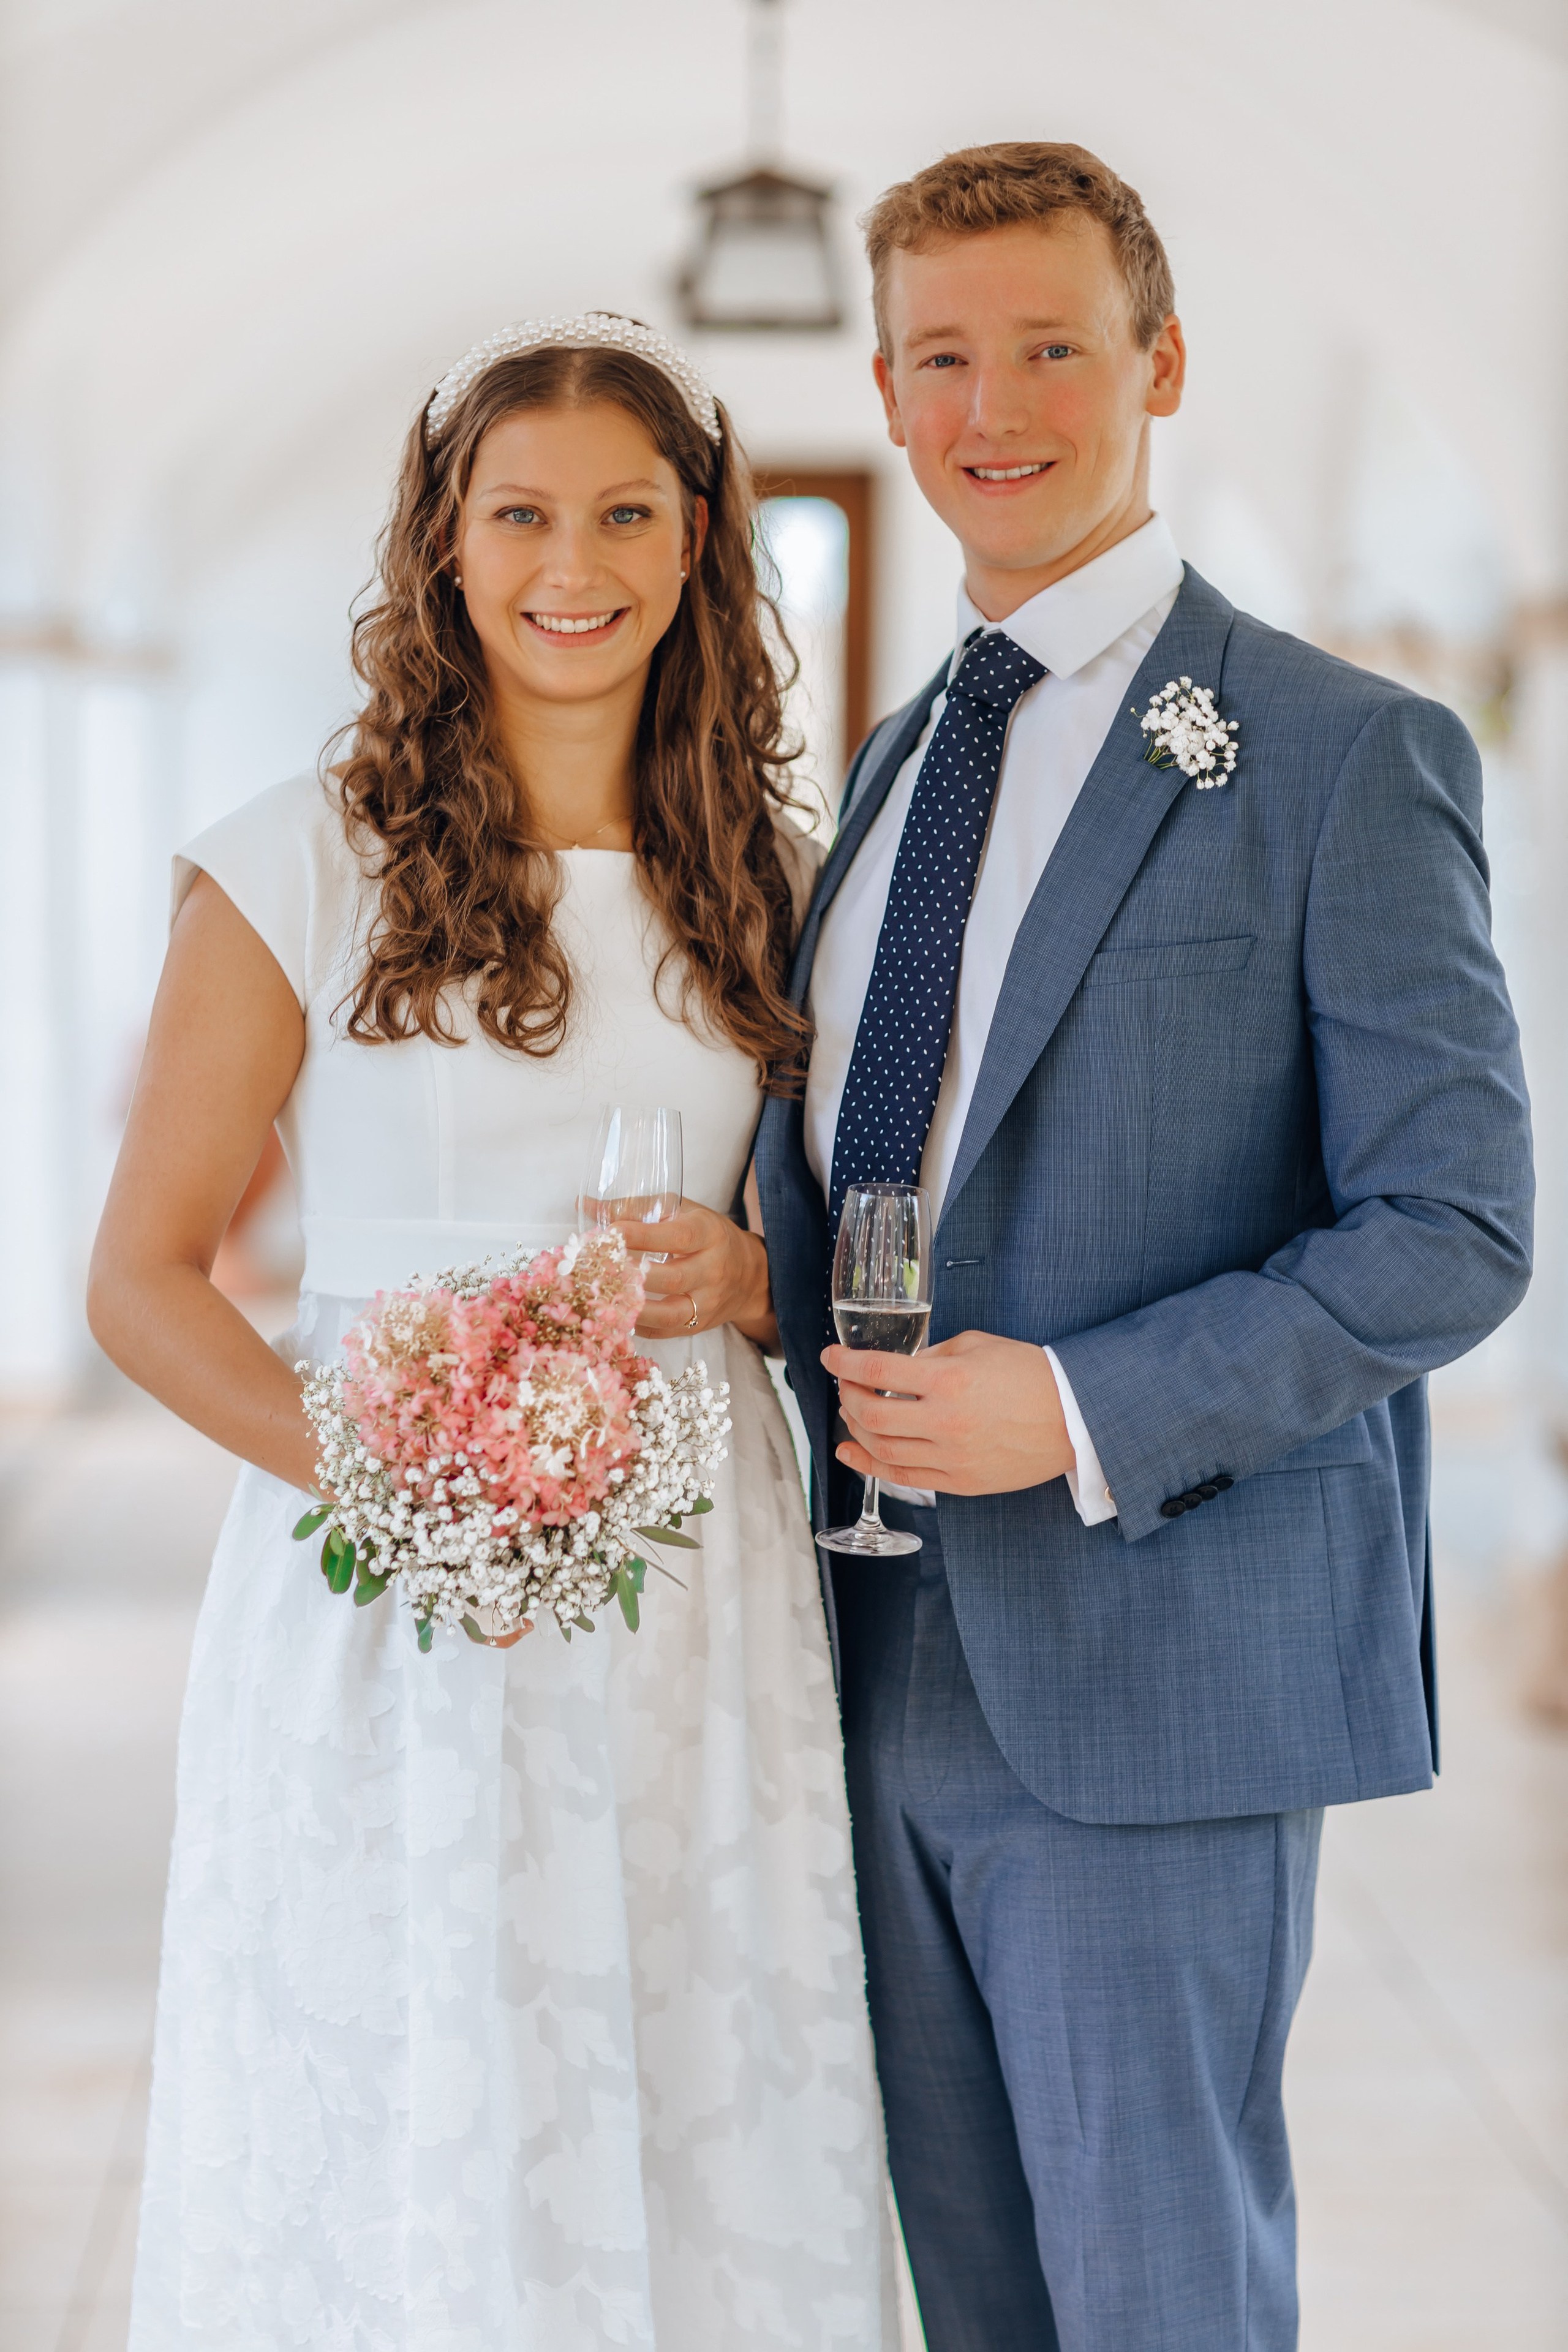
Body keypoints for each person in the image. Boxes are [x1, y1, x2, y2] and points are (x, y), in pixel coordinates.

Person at [755, 143, 1534, 2351]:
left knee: (1158, 2298)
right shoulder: (894, 761)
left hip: (1151, 1658)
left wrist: (1085, 1407)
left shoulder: (1342, 754)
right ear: (887, 394)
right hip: (856, 1647)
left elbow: (1457, 1228)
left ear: (1161, 364)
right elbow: (878, 1160)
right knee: (974, 2300)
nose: (993, 407)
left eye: (1052, 348)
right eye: (941, 358)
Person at [91, 315, 899, 2349]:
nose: (573, 564)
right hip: (385, 1590)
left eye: (625, 515)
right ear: (444, 543)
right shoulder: (296, 862)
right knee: (412, 2088)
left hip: (696, 1591)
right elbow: (142, 1278)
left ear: (697, 540)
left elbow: (841, 1244)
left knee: (699, 2078)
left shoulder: (781, 884)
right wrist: (403, 1487)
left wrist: (755, 1286)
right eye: (522, 514)